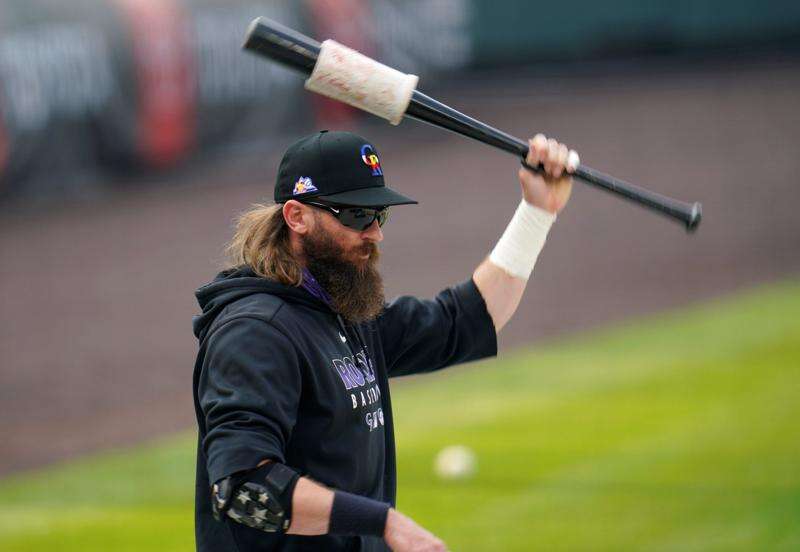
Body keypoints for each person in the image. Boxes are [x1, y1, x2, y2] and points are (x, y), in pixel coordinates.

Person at [192, 129, 578, 552]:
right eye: (356, 215)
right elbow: (244, 488)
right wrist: (383, 521)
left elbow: (462, 321)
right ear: (296, 217)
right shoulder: (256, 333)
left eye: (379, 214)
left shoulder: (344, 311)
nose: (375, 233)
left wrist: (537, 213)